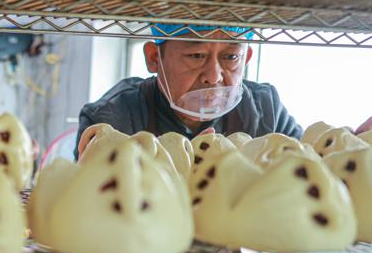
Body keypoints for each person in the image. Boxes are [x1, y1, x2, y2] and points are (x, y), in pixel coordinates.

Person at [75, 24, 302, 159]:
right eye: (196, 56)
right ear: (154, 58)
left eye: (231, 57)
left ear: (247, 58)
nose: (214, 76)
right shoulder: (114, 119)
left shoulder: (265, 112)